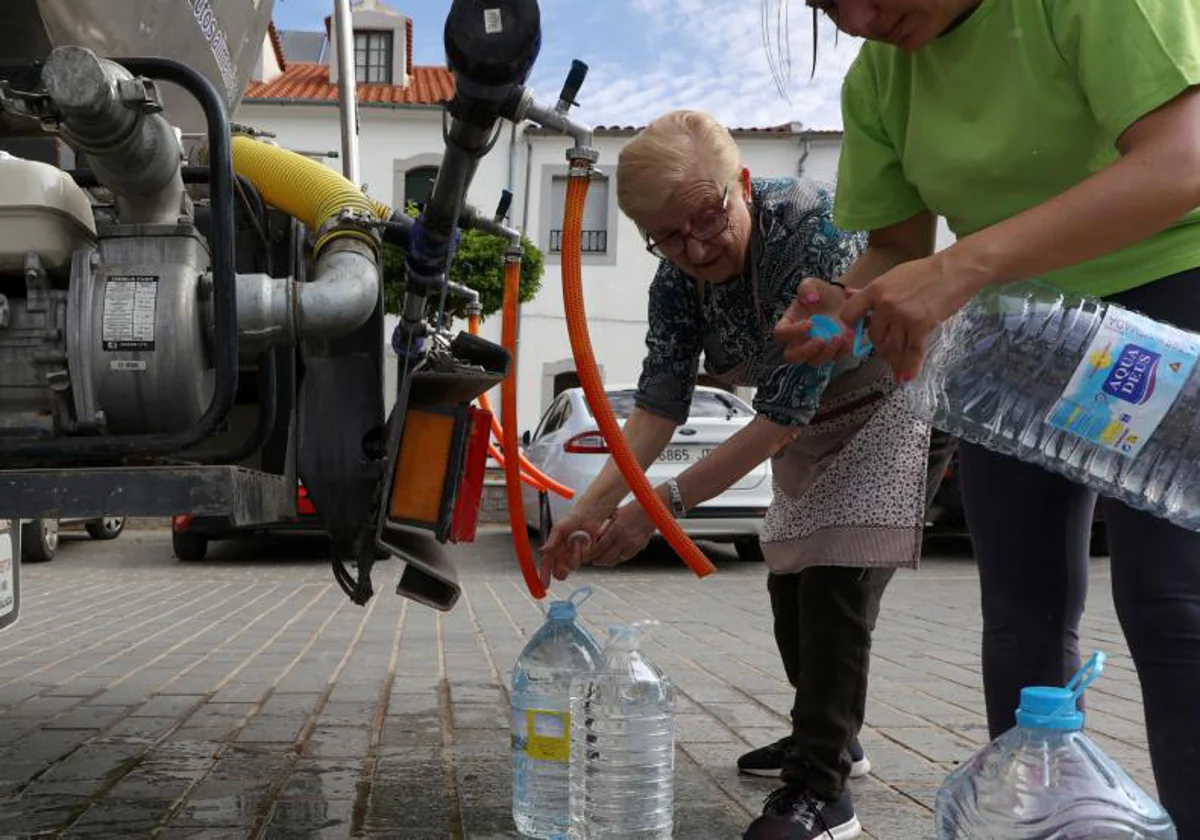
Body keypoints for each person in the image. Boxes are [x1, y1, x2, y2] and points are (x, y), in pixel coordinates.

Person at [775, 1, 1200, 833]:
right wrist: (841, 311)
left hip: (1166, 296)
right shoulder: (878, 79)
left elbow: (1182, 160)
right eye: (827, 2)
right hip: (1012, 337)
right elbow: (899, 245)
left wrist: (962, 266)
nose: (860, 18)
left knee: (1172, 601)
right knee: (1021, 615)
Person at [540, 108, 934, 840]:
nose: (691, 248)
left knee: (834, 584)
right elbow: (658, 408)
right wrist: (588, 509)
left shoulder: (811, 229)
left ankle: (823, 789)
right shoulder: (676, 279)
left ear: (742, 184)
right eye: (666, 236)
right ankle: (828, 734)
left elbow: (779, 412)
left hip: (890, 401)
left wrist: (662, 507)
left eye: (706, 218)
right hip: (808, 422)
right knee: (788, 590)